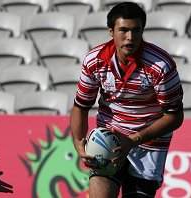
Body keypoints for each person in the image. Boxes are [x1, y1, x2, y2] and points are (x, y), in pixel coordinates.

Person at [70, 2, 184, 198]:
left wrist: (133, 140)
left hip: (148, 145)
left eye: (136, 30)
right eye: (123, 30)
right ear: (110, 31)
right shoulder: (94, 61)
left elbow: (175, 117)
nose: (130, 37)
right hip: (108, 140)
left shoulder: (161, 65)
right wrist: (78, 142)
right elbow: (81, 106)